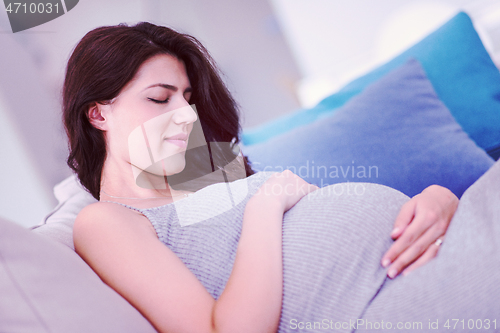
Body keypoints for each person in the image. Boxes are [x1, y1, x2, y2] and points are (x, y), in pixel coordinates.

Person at [66, 23, 462, 333]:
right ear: (99, 113)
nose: (188, 116)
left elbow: (322, 220)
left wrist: (440, 198)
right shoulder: (104, 221)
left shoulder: (198, 170)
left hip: (439, 246)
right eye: (159, 98)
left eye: (188, 99)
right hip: (397, 301)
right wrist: (265, 206)